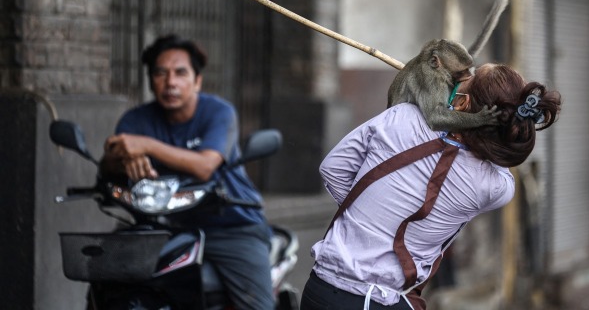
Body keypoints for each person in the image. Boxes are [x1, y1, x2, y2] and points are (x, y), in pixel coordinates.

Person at [300, 63, 562, 310]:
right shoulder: (495, 187)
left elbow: (333, 169)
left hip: (319, 289)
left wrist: (370, 216)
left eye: (468, 76)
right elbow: (499, 157)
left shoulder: (404, 116)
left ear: (462, 102)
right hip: (376, 300)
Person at [100, 34, 275, 310]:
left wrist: (145, 145)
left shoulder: (219, 112)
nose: (170, 82)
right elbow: (110, 165)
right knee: (111, 284)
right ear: (151, 81)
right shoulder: (135, 120)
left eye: (181, 73)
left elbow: (204, 166)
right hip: (163, 226)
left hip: (232, 225)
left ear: (197, 81)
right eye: (161, 73)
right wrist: (118, 157)